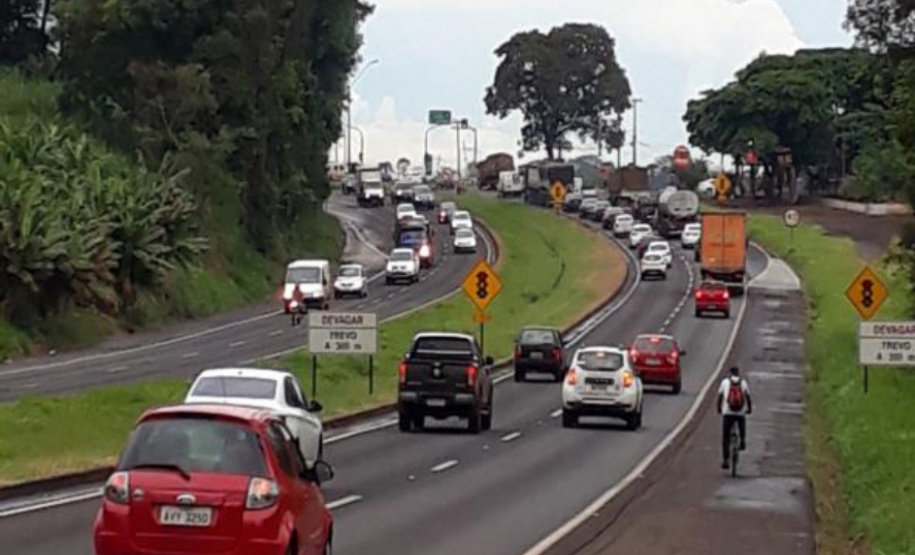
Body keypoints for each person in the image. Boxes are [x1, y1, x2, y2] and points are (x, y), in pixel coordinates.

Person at [717, 365, 752, 470]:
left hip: (727, 412)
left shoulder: (725, 382)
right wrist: (749, 409)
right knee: (742, 423)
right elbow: (748, 397)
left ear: (730, 373)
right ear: (738, 373)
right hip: (740, 412)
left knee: (725, 437)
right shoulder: (743, 382)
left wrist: (719, 409)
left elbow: (720, 397)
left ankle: (726, 460)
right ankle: (742, 441)